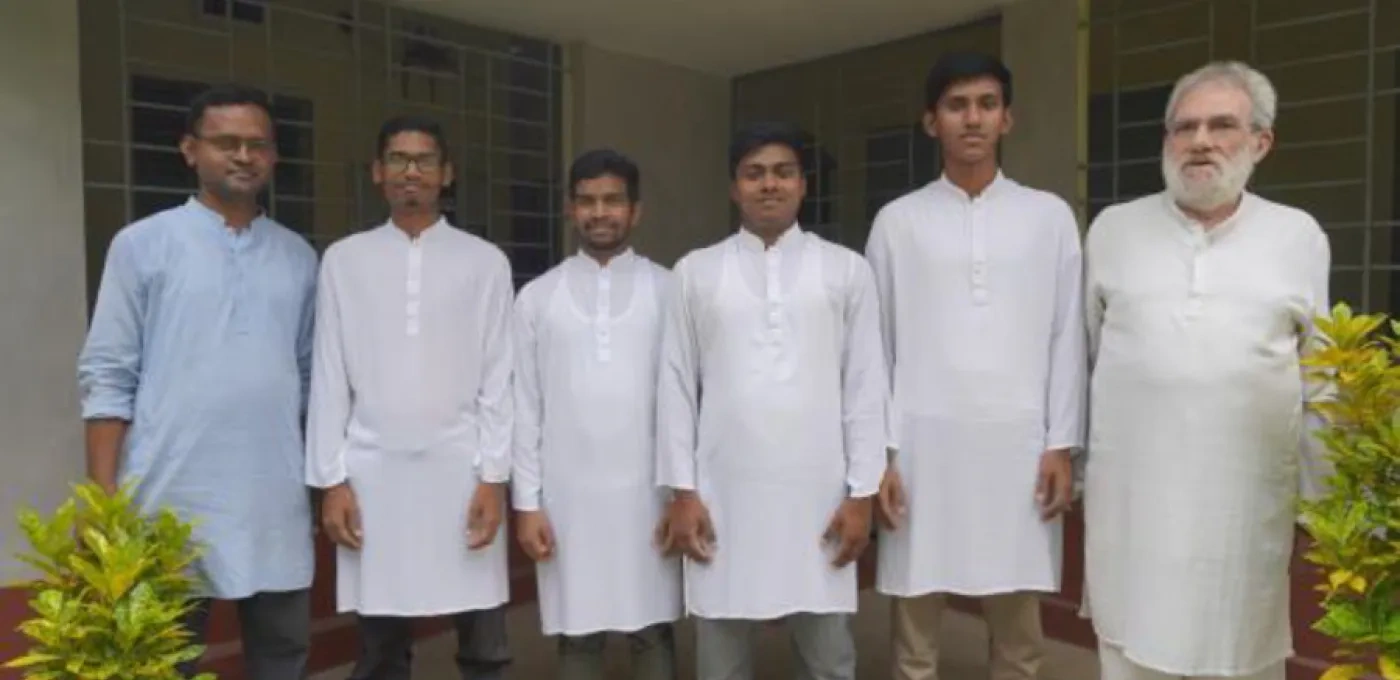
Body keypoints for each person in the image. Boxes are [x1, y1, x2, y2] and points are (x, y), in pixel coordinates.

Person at [1081, 60, 1332, 680]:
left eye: (1222, 125)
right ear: (1165, 141)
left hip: (1243, 510)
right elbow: (1086, 356)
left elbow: (1320, 375)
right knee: (1132, 645)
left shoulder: (1298, 236)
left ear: (1260, 142)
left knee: (1239, 652)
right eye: (1183, 127)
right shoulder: (1113, 230)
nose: (1200, 141)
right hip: (1135, 507)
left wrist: (1320, 504)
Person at [77, 84, 317, 679]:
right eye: (226, 143)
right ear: (190, 150)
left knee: (282, 656)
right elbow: (108, 375)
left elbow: (314, 378)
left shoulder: (299, 257)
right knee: (162, 662)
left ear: (273, 157)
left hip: (272, 498)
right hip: (167, 497)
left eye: (257, 144)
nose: (243, 156)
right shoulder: (142, 246)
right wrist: (103, 501)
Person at [865, 51, 1086, 680]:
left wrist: (1061, 444)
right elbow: (875, 347)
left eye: (987, 105)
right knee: (914, 631)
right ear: (931, 121)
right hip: (920, 445)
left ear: (1007, 119)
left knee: (1018, 631)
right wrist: (881, 454)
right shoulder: (897, 222)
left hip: (1019, 444)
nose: (973, 119)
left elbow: (1066, 336)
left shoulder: (1048, 218)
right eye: (957, 106)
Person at [655, 121, 888, 680]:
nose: (769, 185)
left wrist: (862, 495)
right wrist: (682, 492)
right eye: (754, 173)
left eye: (783, 172)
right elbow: (676, 386)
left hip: (820, 498)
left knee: (829, 659)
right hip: (723, 497)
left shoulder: (846, 270)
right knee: (721, 660)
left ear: (804, 185)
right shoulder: (695, 272)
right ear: (734, 188)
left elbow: (865, 385)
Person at [305, 114, 514, 680]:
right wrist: (332, 480)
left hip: (463, 471)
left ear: (446, 174)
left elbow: (499, 377)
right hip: (374, 476)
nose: (411, 171)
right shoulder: (344, 260)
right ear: (378, 173)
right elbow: (329, 374)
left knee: (483, 644)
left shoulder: (485, 261)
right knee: (379, 648)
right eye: (398, 159)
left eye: (424, 160)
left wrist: (494, 477)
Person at [512, 148, 682, 679]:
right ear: (570, 209)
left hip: (649, 496)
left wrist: (683, 495)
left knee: (652, 630)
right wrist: (527, 504)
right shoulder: (538, 298)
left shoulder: (670, 290)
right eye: (587, 201)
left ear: (636, 210)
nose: (599, 212)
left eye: (612, 200)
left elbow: (688, 402)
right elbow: (524, 407)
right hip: (568, 500)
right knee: (577, 633)